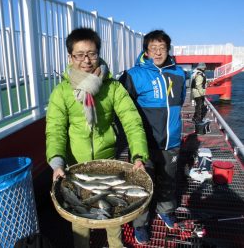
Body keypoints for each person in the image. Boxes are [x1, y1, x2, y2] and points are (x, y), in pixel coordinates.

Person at [45, 28, 149, 248]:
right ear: (70, 57)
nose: (86, 60)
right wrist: (56, 161)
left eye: (91, 53)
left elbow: (132, 121)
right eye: (79, 54)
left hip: (107, 163)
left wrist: (139, 155)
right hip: (76, 165)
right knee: (79, 215)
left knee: (112, 215)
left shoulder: (113, 88)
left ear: (99, 54)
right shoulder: (61, 92)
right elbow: (55, 129)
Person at [119, 30, 186, 244]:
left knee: (168, 180)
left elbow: (182, 100)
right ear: (146, 51)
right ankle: (140, 224)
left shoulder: (180, 73)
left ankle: (166, 211)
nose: (158, 52)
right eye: (153, 48)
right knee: (141, 185)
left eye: (162, 48)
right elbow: (123, 108)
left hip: (171, 141)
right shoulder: (133, 74)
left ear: (168, 49)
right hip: (144, 144)